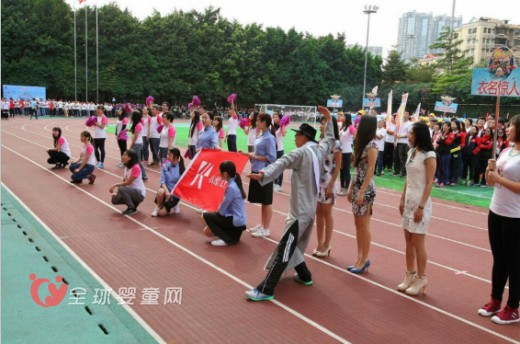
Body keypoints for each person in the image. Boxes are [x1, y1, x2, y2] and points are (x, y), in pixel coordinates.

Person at [245, 106, 335, 301]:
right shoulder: (319, 150)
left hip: (300, 211)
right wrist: (329, 119)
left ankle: (266, 289)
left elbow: (282, 162)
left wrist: (263, 174)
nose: (294, 139)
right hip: (308, 208)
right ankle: (305, 275)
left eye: (297, 135)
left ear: (304, 137)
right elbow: (329, 139)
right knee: (293, 245)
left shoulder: (301, 153)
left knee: (286, 247)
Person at [478, 115, 520, 325]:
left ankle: (513, 307)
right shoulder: (505, 151)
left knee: (514, 262)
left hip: (515, 216)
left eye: (511, 126)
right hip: (496, 210)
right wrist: (489, 169)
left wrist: (499, 178)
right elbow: (490, 182)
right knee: (499, 259)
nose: (507, 129)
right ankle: (495, 299)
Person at [397, 122, 436, 296]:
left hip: (421, 202)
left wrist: (421, 206)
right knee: (408, 240)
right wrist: (402, 197)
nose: (408, 135)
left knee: (418, 242)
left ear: (420, 135)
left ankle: (422, 277)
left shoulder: (429, 155)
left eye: (411, 133)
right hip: (408, 202)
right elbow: (408, 177)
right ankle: (410, 274)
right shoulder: (411, 152)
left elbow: (429, 183)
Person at [346, 115, 378, 274]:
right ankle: (359, 257)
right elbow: (357, 169)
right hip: (358, 186)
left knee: (364, 225)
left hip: (366, 189)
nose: (356, 127)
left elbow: (370, 170)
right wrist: (351, 188)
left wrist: (362, 192)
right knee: (358, 224)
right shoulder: (361, 144)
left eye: (359, 125)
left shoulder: (372, 145)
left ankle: (364, 259)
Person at [314, 116, 341, 258]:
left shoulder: (336, 144)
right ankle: (319, 242)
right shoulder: (321, 141)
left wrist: (331, 185)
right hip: (318, 181)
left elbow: (338, 167)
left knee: (327, 212)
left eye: (324, 124)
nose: (321, 126)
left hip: (329, 181)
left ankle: (327, 243)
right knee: (318, 212)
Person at [245, 113, 276, 238]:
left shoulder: (269, 138)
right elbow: (257, 152)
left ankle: (266, 228)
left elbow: (272, 157)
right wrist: (248, 155)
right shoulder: (261, 135)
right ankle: (263, 225)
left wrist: (254, 156)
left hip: (264, 172)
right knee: (262, 200)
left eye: (258, 120)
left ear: (264, 122)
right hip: (257, 169)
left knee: (266, 201)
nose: (256, 122)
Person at [202, 161, 247, 246]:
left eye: (220, 172)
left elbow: (223, 208)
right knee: (207, 229)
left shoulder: (231, 187)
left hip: (236, 222)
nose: (219, 174)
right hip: (238, 221)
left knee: (206, 215)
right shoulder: (235, 182)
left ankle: (227, 239)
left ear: (225, 174)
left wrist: (217, 213)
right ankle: (229, 235)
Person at [109, 149, 146, 215]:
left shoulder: (136, 167)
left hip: (139, 193)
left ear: (130, 158)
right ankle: (134, 204)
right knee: (114, 200)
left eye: (124, 155)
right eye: (123, 154)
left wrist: (114, 185)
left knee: (121, 189)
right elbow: (124, 181)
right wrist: (117, 193)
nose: (122, 156)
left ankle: (131, 208)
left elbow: (128, 182)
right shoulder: (126, 168)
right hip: (130, 191)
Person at [151, 148, 185, 217]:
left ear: (175, 157)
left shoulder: (182, 168)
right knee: (161, 191)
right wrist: (166, 191)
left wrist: (174, 193)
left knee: (161, 213)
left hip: (174, 193)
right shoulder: (165, 166)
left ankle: (175, 204)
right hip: (165, 191)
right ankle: (157, 208)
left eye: (170, 155)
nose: (167, 156)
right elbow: (162, 181)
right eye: (168, 154)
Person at [128, 110, 148, 181]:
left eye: (132, 115)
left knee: (138, 160)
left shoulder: (138, 125)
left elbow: (136, 136)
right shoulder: (137, 124)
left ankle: (144, 175)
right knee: (136, 160)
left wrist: (131, 145)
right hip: (137, 143)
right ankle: (139, 174)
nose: (131, 116)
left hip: (137, 144)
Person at [338, 114, 355, 196]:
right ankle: (341, 187)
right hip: (341, 151)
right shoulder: (342, 126)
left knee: (346, 169)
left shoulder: (351, 127)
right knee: (341, 169)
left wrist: (355, 149)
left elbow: (355, 136)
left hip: (347, 151)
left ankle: (346, 188)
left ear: (347, 118)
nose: (342, 118)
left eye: (344, 116)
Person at [272, 112, 287, 192]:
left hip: (279, 150)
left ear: (280, 119)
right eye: (274, 117)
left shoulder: (281, 127)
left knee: (279, 167)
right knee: (274, 167)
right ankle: (275, 182)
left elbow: (284, 134)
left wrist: (283, 124)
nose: (275, 118)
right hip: (273, 149)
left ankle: (279, 185)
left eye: (276, 117)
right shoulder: (273, 126)